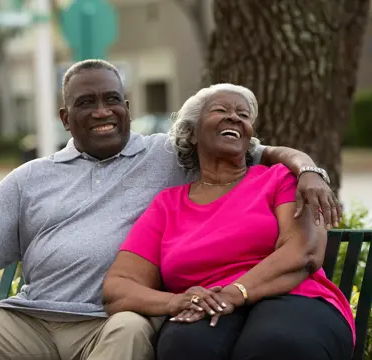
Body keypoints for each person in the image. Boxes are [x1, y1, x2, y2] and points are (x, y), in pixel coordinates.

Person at [0, 60, 339, 360]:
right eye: (87, 103)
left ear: (127, 107)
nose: (102, 111)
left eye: (112, 100)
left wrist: (308, 168)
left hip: (111, 322)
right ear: (66, 118)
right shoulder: (28, 179)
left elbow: (248, 147)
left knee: (131, 330)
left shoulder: (169, 153)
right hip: (29, 317)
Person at [103, 83, 354, 360]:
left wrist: (235, 293)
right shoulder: (167, 205)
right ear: (192, 132)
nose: (234, 117)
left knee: (275, 344)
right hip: (208, 306)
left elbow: (304, 251)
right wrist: (176, 301)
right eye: (220, 110)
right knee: (184, 347)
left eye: (243, 115)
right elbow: (119, 288)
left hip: (294, 297)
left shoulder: (279, 179)